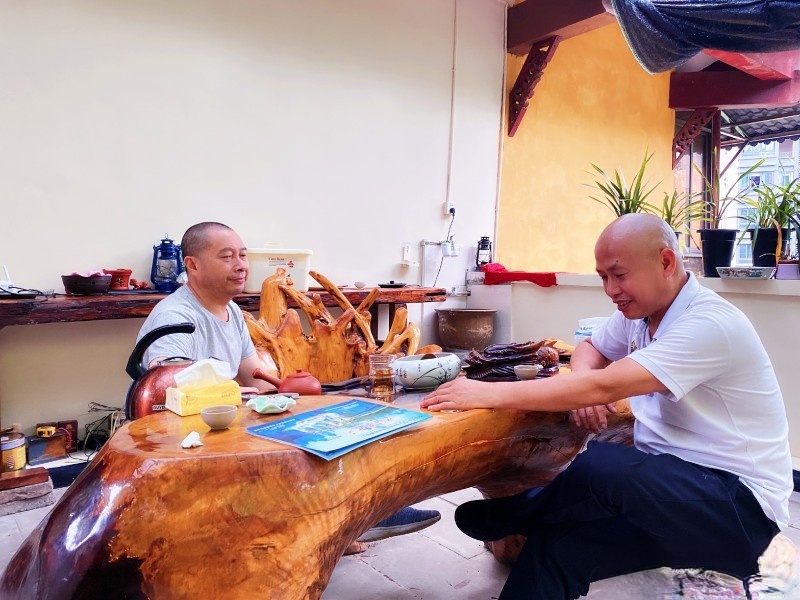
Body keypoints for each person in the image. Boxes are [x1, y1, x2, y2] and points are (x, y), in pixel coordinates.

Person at [421, 213, 792, 599]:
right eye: (602, 277)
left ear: (666, 262)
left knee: (599, 465)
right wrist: (585, 385)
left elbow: (605, 384)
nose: (611, 290)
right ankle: (526, 516)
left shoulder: (709, 323)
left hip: (739, 512)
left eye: (619, 275)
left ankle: (517, 513)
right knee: (557, 547)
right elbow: (590, 349)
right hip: (666, 504)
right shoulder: (639, 315)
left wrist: (484, 393)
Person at [136, 221, 440, 551]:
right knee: (295, 457)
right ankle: (343, 525)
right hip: (188, 442)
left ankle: (354, 518)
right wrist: (238, 396)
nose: (240, 265)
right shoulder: (176, 316)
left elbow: (255, 375)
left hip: (224, 426)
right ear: (192, 265)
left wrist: (290, 398)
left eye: (242, 255)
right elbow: (166, 388)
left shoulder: (232, 312)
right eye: (226, 257)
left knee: (331, 427)